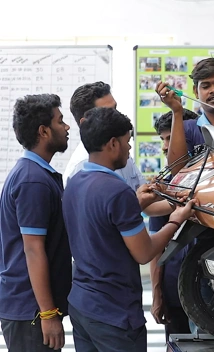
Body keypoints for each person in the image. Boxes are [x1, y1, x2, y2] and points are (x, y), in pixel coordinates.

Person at [62, 107, 196, 352]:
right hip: (114, 313)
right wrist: (175, 220)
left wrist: (137, 203)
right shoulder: (117, 190)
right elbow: (144, 253)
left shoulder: (75, 182)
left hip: (82, 306)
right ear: (113, 143)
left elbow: (102, 224)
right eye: (127, 141)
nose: (130, 148)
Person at [0, 94, 72, 351]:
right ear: (43, 131)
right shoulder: (33, 181)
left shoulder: (38, 174)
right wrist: (48, 313)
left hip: (32, 309)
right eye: (60, 121)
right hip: (31, 312)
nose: (66, 127)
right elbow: (33, 249)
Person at [149, 109, 198, 341]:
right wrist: (157, 293)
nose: (165, 147)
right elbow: (156, 245)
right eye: (163, 140)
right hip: (174, 290)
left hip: (210, 292)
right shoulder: (165, 184)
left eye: (171, 138)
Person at [63, 81, 146, 190]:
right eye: (108, 112)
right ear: (85, 123)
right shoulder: (80, 166)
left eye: (115, 109)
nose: (117, 116)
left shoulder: (122, 150)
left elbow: (143, 197)